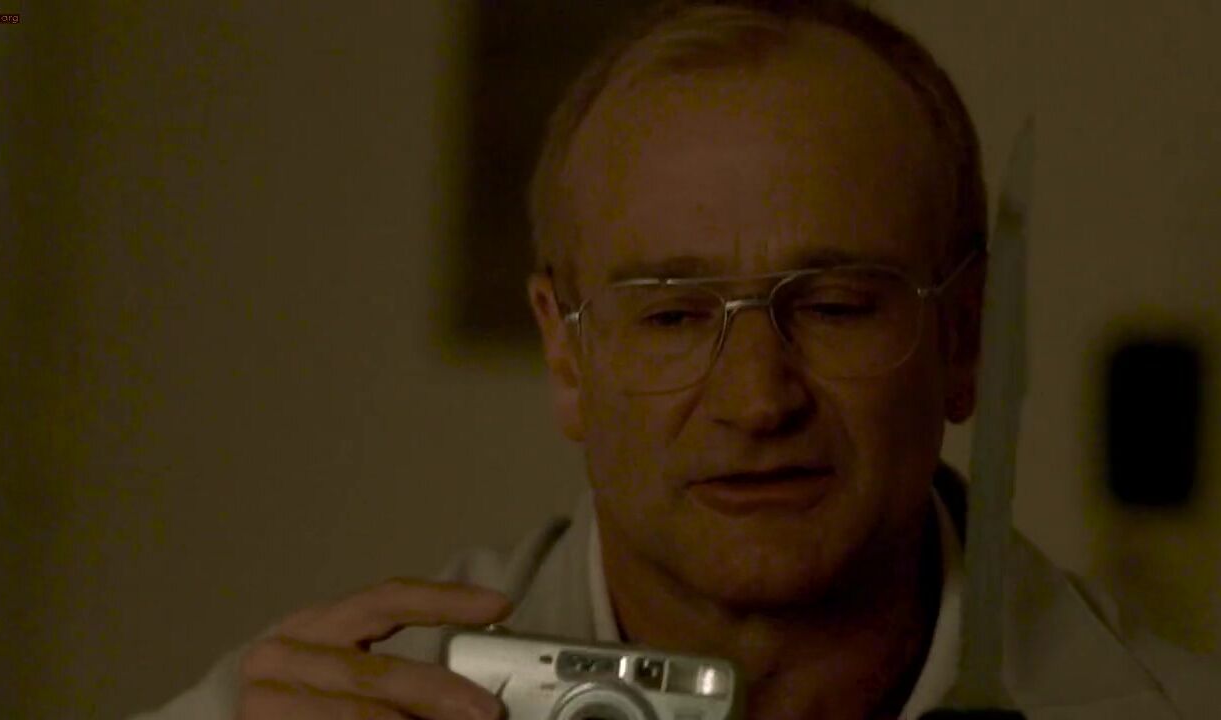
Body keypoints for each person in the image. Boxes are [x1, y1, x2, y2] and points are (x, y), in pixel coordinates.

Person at [131, 2, 1219, 719]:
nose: (756, 399)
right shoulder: (331, 703)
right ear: (565, 352)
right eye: (671, 317)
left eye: (835, 306)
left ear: (965, 336)